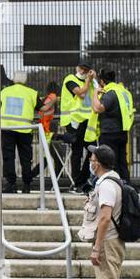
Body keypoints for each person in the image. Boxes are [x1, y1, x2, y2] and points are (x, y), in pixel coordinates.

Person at [79, 144, 133, 279]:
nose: (90, 162)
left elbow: (104, 218)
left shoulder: (108, 185)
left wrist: (96, 248)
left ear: (98, 163)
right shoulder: (108, 180)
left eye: (92, 159)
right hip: (111, 242)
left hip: (108, 243)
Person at [86, 68, 133, 183]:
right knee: (122, 163)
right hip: (122, 132)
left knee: (110, 164)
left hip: (109, 133)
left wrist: (95, 93)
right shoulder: (123, 91)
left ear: (102, 81)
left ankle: (115, 187)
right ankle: (128, 187)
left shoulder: (110, 93)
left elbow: (97, 108)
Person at [0, 69, 39, 193]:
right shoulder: (32, 93)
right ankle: (26, 185)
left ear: (14, 79)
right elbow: (43, 107)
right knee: (26, 159)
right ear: (25, 80)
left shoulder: (4, 91)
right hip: (25, 130)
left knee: (8, 157)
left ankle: (11, 184)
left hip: (7, 129)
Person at [57, 63, 96, 191]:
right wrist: (88, 81)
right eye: (82, 69)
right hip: (73, 121)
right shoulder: (70, 80)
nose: (84, 71)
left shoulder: (90, 82)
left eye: (87, 69)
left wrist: (93, 80)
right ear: (77, 68)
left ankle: (82, 179)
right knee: (77, 151)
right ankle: (77, 183)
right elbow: (81, 94)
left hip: (87, 121)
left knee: (93, 149)